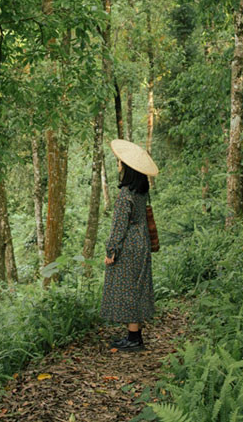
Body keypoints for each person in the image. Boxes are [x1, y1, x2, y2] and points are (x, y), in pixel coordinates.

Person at [100, 139, 159, 352]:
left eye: (121, 163)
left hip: (129, 245)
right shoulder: (141, 192)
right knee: (138, 286)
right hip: (142, 242)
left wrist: (111, 250)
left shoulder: (126, 194)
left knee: (128, 289)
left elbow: (119, 225)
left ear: (128, 169)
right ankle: (135, 336)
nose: (119, 165)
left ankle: (134, 339)